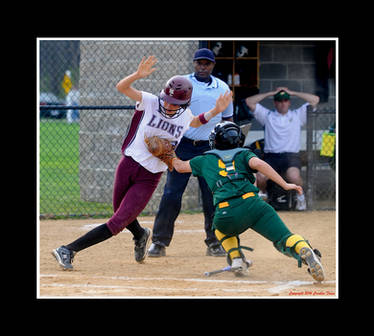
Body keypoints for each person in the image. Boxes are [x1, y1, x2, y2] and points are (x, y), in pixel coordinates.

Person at [51, 55, 233, 270]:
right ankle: (140, 234)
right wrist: (137, 75)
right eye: (167, 99)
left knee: (118, 222)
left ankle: (69, 250)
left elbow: (194, 121)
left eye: (175, 103)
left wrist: (215, 112)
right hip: (127, 164)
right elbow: (122, 87)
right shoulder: (150, 101)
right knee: (120, 211)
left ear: (184, 103)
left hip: (149, 176)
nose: (168, 104)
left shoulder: (184, 117)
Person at [169, 121, 324, 281]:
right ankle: (303, 247)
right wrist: (285, 184)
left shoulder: (204, 159)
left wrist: (169, 150)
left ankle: (236, 258)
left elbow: (179, 166)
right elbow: (258, 163)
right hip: (255, 206)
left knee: (219, 228)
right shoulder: (244, 153)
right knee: (283, 238)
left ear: (215, 141)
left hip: (226, 211)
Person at [148, 48, 233, 258]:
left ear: (213, 65)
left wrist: (227, 147)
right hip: (183, 145)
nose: (203, 67)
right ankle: (159, 242)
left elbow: (228, 120)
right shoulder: (181, 83)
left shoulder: (221, 87)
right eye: (199, 63)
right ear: (194, 64)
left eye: (207, 64)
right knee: (171, 194)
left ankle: (214, 242)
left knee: (212, 195)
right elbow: (166, 109)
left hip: (210, 147)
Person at [245, 87, 320, 210]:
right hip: (272, 157)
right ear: (275, 103)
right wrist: (271, 93)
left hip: (291, 156)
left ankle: (300, 197)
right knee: (260, 177)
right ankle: (263, 197)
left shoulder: (297, 115)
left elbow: (315, 100)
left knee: (294, 177)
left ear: (289, 102)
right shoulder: (268, 115)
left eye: (285, 100)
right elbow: (249, 101)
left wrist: (293, 92)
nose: (283, 103)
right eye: (279, 100)